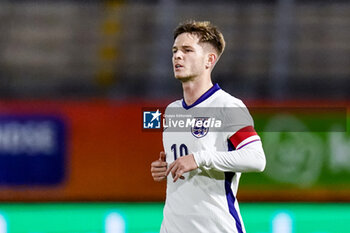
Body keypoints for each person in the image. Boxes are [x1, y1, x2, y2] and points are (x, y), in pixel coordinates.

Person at [150, 20, 266, 233]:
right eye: (175, 50)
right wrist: (165, 167)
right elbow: (183, 160)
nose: (177, 56)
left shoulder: (227, 106)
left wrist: (200, 158)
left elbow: (257, 159)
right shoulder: (172, 111)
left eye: (187, 50)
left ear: (209, 60)